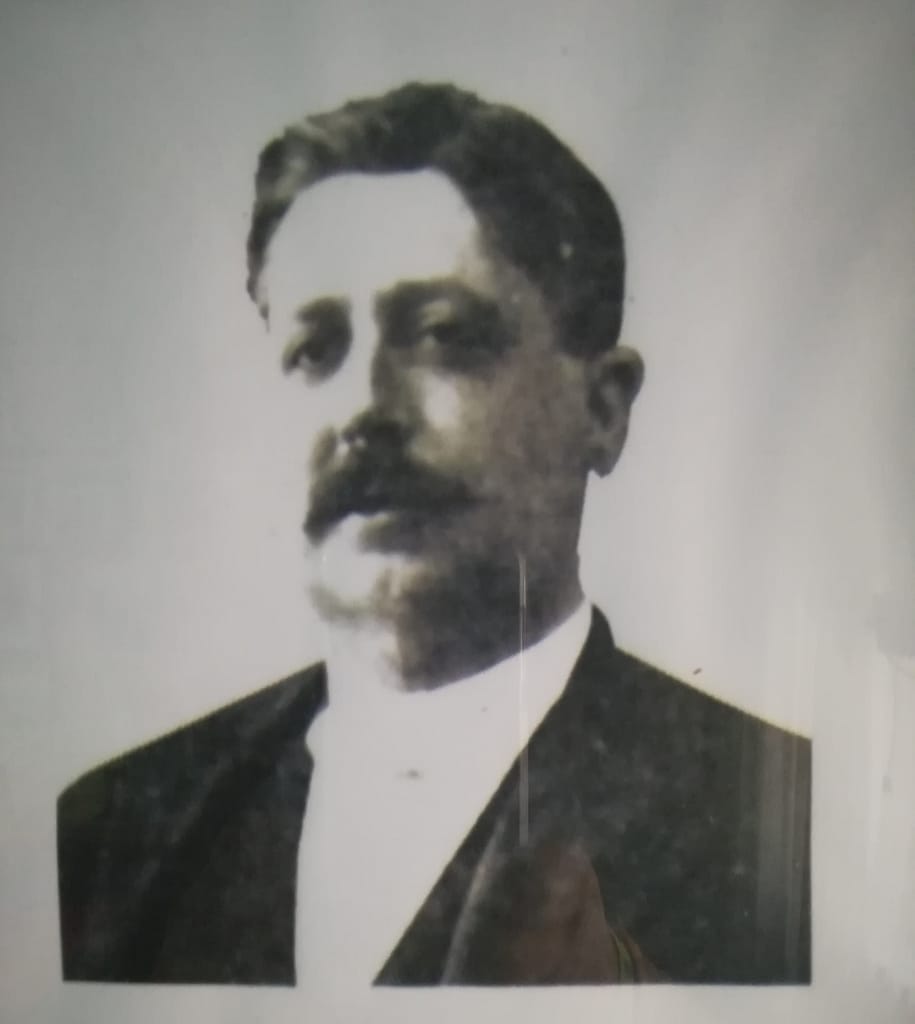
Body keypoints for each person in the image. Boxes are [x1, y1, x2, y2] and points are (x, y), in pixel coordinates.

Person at [57, 82, 811, 987]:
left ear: (602, 409)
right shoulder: (120, 829)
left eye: (444, 336)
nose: (363, 409)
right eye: (314, 349)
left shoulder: (772, 816)